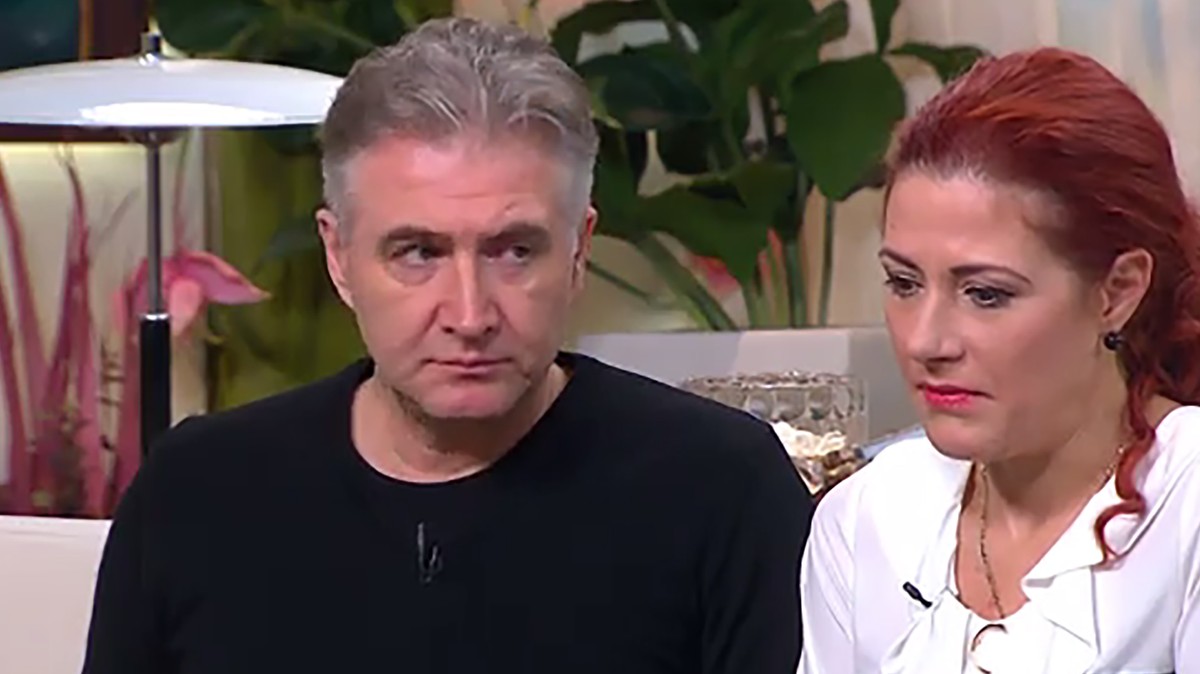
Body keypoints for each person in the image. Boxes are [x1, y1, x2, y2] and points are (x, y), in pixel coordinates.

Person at [80, 16, 813, 674]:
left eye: (515, 251)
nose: (469, 314)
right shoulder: (197, 495)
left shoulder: (723, 491)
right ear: (339, 257)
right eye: (418, 253)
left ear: (579, 251)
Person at [799, 47, 1200, 673]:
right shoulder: (864, 519)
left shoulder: (1187, 502)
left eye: (986, 294)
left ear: (1117, 292)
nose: (926, 341)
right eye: (903, 283)